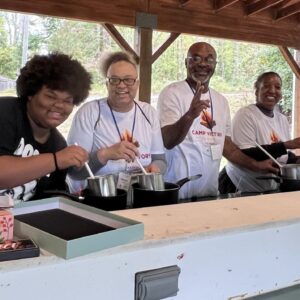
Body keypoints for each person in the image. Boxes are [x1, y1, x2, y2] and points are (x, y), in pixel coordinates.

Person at [157, 42, 277, 200]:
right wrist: (190, 115)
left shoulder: (221, 101)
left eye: (209, 60)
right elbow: (167, 141)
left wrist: (257, 166)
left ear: (215, 65)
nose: (202, 64)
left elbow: (227, 147)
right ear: (186, 62)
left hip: (209, 193)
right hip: (177, 191)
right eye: (196, 58)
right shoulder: (172, 93)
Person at [68, 51, 166, 193]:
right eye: (114, 80)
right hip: (97, 199)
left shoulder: (148, 112)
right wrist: (105, 154)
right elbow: (74, 172)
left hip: (139, 196)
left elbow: (160, 160)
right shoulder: (89, 113)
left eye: (128, 80)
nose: (121, 85)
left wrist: (155, 169)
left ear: (137, 83)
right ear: (107, 84)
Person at [0, 52, 91, 203]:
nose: (60, 106)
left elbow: (48, 199)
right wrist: (55, 160)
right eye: (51, 96)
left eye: (68, 101)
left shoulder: (59, 145)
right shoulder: (5, 112)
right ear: (30, 93)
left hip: (20, 223)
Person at [220, 71, 300, 193]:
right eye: (266, 86)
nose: (273, 91)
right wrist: (286, 145)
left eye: (277, 87)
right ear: (257, 91)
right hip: (238, 185)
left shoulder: (282, 119)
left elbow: (282, 156)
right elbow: (245, 153)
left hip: (267, 188)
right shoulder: (246, 115)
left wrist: (295, 160)